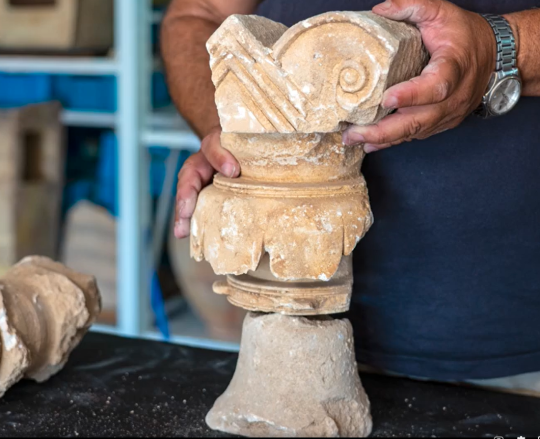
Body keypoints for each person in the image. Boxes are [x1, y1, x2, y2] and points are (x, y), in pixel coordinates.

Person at [161, 0, 540, 395]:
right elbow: (198, 12)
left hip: (524, 334)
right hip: (299, 317)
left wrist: (503, 48)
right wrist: (234, 133)